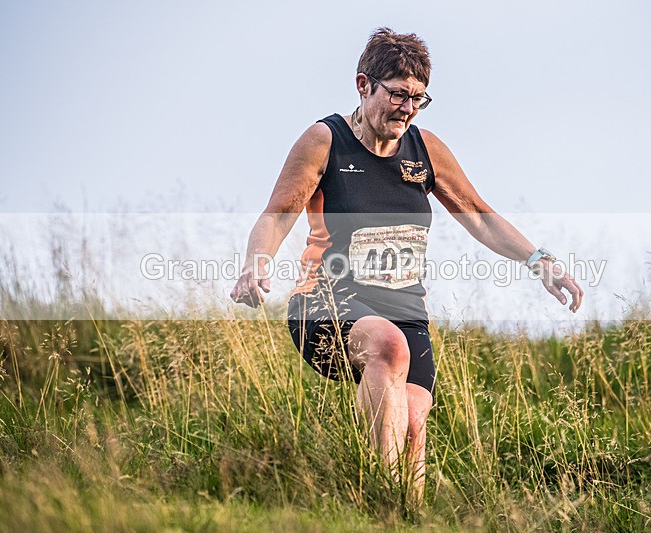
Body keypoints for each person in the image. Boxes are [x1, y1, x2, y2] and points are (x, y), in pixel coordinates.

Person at [230, 27, 583, 502]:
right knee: (388, 347)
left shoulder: (425, 150)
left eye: (419, 98)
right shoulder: (325, 140)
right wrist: (257, 262)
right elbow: (277, 214)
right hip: (324, 303)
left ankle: (407, 515)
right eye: (397, 94)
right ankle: (382, 499)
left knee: (414, 421)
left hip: (404, 308)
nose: (408, 108)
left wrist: (539, 260)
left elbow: (478, 215)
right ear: (363, 85)